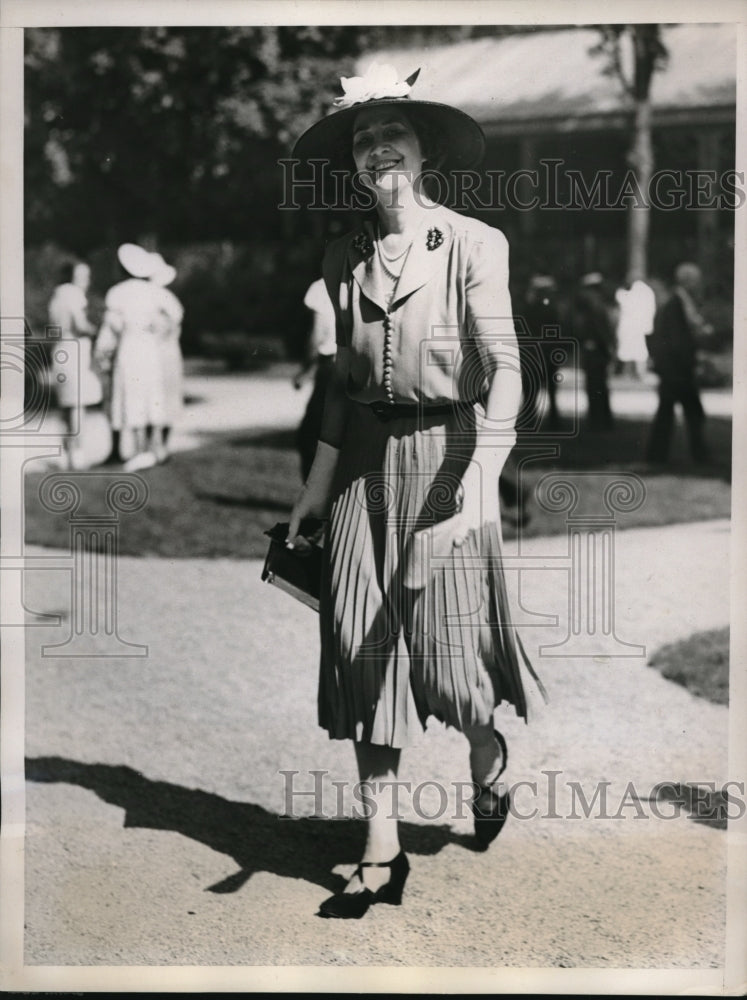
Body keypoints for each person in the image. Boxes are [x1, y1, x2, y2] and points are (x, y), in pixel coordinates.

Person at [287, 62, 545, 919]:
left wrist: (475, 488)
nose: (376, 148)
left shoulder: (474, 244)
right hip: (363, 465)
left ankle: (485, 753)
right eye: (362, 138)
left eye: (391, 132)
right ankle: (380, 849)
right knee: (361, 648)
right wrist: (315, 488)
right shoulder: (340, 254)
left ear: (423, 150)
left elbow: (505, 372)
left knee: (448, 666)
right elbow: (337, 388)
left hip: (449, 459)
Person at [94, 243, 165, 472]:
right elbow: (162, 323)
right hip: (150, 349)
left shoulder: (118, 293)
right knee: (149, 394)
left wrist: (102, 353)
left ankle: (138, 450)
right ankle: (150, 448)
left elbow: (111, 327)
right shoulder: (152, 291)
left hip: (130, 348)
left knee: (132, 395)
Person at [645, 262, 712, 464]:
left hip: (673, 368)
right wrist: (692, 361)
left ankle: (657, 456)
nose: (698, 284)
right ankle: (698, 455)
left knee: (669, 413)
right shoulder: (676, 304)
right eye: (696, 280)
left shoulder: (679, 301)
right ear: (688, 281)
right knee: (692, 413)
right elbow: (677, 341)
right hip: (677, 369)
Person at [47, 260, 103, 470]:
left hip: (60, 350)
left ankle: (67, 453)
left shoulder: (57, 295)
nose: (86, 281)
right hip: (75, 350)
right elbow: (79, 324)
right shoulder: (74, 294)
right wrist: (96, 330)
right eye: (82, 276)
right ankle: (77, 453)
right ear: (72, 277)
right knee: (77, 406)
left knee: (66, 405)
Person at [293, 275, 337, 480]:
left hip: (332, 368)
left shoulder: (322, 287)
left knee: (310, 437)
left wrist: (305, 369)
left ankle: (315, 498)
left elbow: (318, 335)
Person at [149, 252, 185, 464]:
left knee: (164, 398)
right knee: (162, 398)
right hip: (163, 351)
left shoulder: (164, 298)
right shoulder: (163, 297)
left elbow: (174, 323)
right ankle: (158, 445)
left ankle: (158, 445)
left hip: (164, 350)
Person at [518, 272, 562, 431]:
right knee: (547, 388)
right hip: (545, 350)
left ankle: (530, 421)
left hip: (533, 351)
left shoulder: (529, 305)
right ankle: (553, 421)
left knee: (532, 389)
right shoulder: (548, 306)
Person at [573, 272, 616, 431]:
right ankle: (602, 419)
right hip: (597, 348)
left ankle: (598, 419)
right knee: (599, 384)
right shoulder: (595, 302)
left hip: (593, 348)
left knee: (594, 384)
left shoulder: (588, 302)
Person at [615, 273, 657, 379]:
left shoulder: (641, 292)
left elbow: (625, 301)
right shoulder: (645, 292)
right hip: (635, 328)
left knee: (636, 350)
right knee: (632, 350)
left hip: (635, 327)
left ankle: (637, 372)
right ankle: (633, 372)